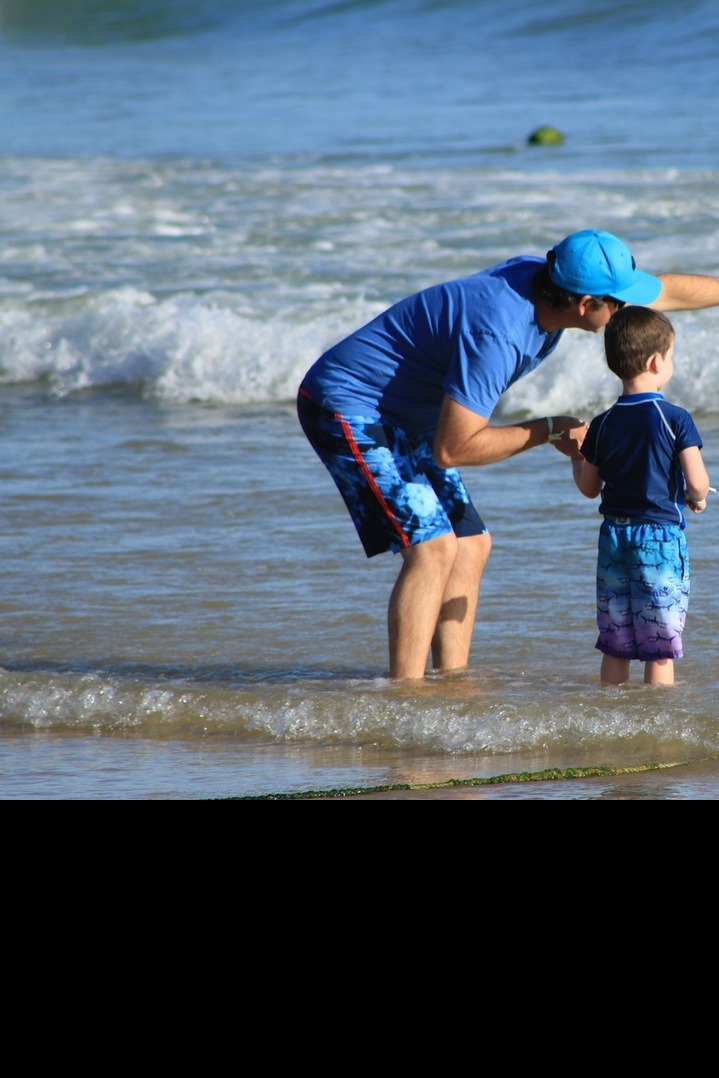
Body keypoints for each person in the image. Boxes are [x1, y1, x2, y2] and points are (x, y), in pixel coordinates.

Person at [297, 228, 719, 679]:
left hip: (410, 414)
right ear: (584, 305)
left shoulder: (545, 280)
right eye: (617, 302)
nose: (626, 311)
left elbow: (668, 291)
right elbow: (454, 448)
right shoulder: (498, 334)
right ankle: (408, 696)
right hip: (348, 405)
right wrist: (549, 429)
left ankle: (451, 683)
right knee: (433, 549)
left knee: (472, 545)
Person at [572, 306, 710, 686]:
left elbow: (588, 488)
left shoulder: (603, 422)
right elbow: (697, 484)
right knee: (659, 646)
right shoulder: (674, 418)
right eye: (671, 357)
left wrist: (575, 456)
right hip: (658, 541)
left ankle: (610, 720)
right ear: (655, 362)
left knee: (616, 642)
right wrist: (695, 498)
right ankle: (654, 731)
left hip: (615, 537)